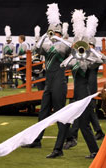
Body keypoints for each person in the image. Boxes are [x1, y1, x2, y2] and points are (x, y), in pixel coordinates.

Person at [21, 24, 71, 158]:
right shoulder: (48, 46)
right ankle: (37, 140)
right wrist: (45, 35)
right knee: (43, 112)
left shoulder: (64, 45)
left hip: (59, 82)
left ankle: (63, 144)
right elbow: (36, 48)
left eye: (56, 33)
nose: (53, 35)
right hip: (49, 81)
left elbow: (69, 50)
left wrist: (60, 38)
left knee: (60, 113)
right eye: (52, 33)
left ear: (60, 34)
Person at [63, 38, 106, 150]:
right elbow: (63, 65)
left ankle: (74, 139)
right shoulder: (75, 59)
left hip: (89, 89)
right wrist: (73, 54)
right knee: (82, 119)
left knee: (83, 121)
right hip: (77, 93)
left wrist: (92, 51)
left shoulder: (91, 60)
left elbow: (103, 60)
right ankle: (94, 139)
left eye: (89, 45)